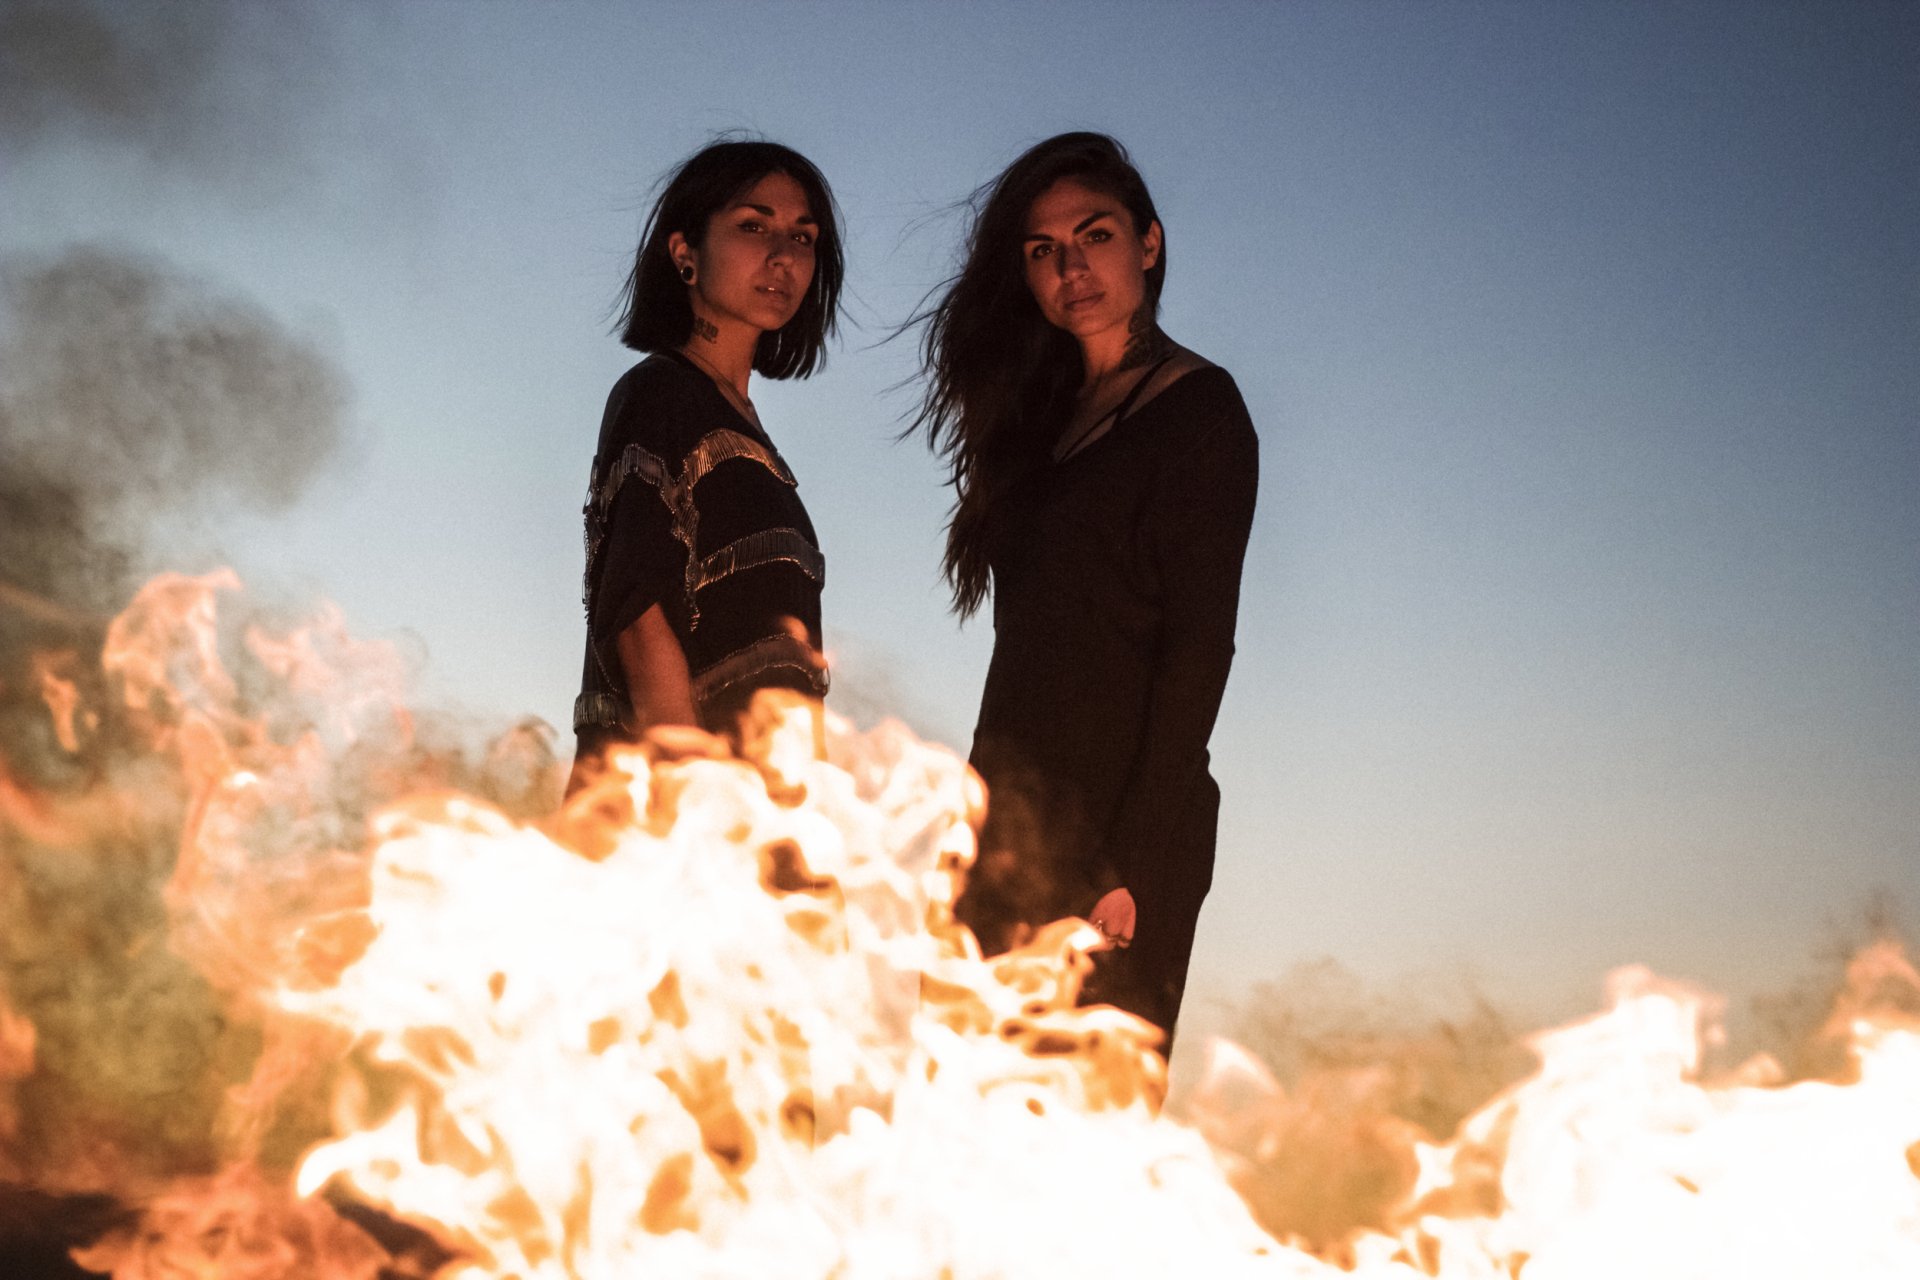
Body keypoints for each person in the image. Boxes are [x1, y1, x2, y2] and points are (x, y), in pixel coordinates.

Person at [913, 132, 1259, 1047]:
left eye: (1095, 235)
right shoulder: (1039, 426)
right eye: (1042, 251)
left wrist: (1130, 862)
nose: (1072, 266)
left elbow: (1198, 647)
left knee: (1076, 1137)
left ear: (1148, 243)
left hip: (1122, 829)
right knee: (959, 1120)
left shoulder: (1200, 410)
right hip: (1008, 820)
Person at [571, 140, 843, 789]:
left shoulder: (755, 442)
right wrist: (698, 806)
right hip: (674, 812)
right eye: (753, 227)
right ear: (685, 253)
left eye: (802, 237)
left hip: (764, 810)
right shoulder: (659, 393)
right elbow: (639, 617)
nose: (783, 257)